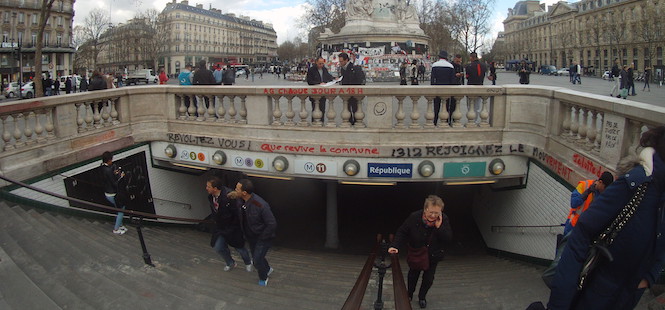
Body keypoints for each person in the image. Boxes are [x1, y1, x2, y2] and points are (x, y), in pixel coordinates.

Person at [547, 126, 665, 310]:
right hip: (593, 288)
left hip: (623, 297)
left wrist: (648, 278)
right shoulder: (636, 183)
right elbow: (581, 226)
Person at [388, 195, 453, 309]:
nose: (433, 216)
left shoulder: (444, 219)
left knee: (428, 279)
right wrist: (395, 245)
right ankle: (409, 294)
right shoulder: (414, 217)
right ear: (425, 209)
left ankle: (422, 297)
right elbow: (402, 231)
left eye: (437, 213)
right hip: (417, 253)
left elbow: (448, 238)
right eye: (431, 212)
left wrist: (439, 227)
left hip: (433, 255)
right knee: (413, 275)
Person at [230, 179, 277, 286]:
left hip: (262, 238)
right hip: (250, 237)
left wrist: (263, 237)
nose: (235, 190)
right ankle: (268, 269)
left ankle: (263, 277)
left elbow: (272, 223)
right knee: (258, 256)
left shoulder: (260, 205)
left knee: (256, 260)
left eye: (237, 189)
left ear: (244, 192)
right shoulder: (240, 200)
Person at [206, 177, 253, 272]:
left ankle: (248, 262)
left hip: (232, 228)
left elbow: (238, 214)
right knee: (218, 247)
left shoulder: (229, 197)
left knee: (240, 249)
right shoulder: (211, 197)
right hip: (220, 228)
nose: (206, 188)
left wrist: (236, 226)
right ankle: (230, 262)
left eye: (208, 186)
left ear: (215, 188)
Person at [563, 171, 614, 235]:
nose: (605, 191)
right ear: (600, 182)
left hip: (585, 229)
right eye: (604, 188)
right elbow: (574, 203)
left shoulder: (602, 194)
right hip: (573, 226)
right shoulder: (584, 185)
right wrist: (587, 192)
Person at [101, 151, 127, 235]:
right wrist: (121, 176)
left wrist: (114, 173)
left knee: (118, 208)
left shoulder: (102, 167)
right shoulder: (108, 170)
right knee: (121, 210)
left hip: (107, 193)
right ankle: (116, 229)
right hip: (112, 194)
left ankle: (120, 225)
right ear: (109, 160)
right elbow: (115, 183)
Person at [338, 52, 366, 126]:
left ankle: (356, 123)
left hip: (354, 92)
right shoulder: (343, 68)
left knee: (355, 109)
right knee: (347, 109)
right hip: (346, 93)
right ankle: (351, 122)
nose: (340, 63)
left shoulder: (354, 67)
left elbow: (359, 80)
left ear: (346, 60)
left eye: (341, 61)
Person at [430, 50, 456, 126]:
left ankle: (435, 121)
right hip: (447, 88)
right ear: (446, 57)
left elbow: (432, 79)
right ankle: (447, 120)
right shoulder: (450, 66)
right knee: (447, 106)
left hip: (437, 87)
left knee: (436, 106)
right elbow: (452, 80)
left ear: (439, 57)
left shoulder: (435, 65)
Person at [306, 57, 334, 122]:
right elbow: (309, 81)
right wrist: (319, 83)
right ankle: (314, 123)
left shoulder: (324, 69)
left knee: (322, 109)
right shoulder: (311, 70)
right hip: (314, 93)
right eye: (320, 63)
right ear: (316, 62)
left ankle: (322, 122)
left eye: (322, 63)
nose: (321, 65)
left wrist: (334, 79)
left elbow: (328, 77)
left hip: (323, 92)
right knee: (314, 109)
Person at [464, 52, 487, 123]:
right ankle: (475, 121)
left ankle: (470, 120)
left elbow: (467, 77)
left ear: (471, 57)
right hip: (480, 86)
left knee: (470, 106)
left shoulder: (468, 66)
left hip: (470, 87)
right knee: (477, 107)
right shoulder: (484, 65)